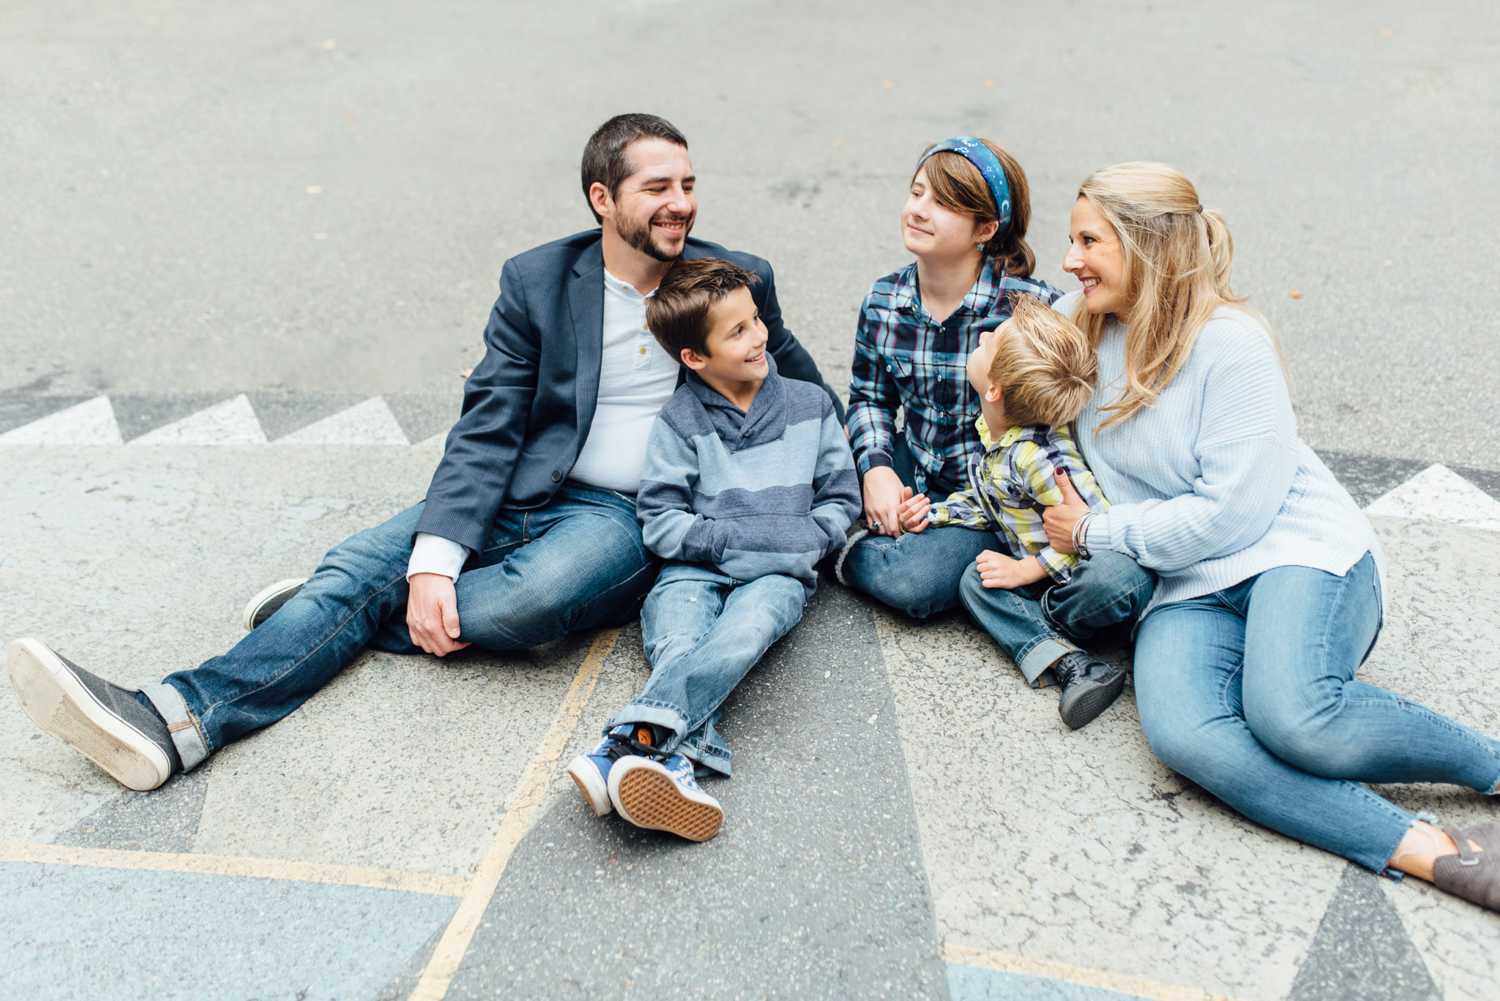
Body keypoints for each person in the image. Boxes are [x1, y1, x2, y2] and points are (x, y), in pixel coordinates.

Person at [7, 113, 839, 793]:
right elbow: (488, 424)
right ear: (601, 197)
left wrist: (874, 471)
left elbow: (804, 388)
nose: (681, 204)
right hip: (522, 488)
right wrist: (436, 561)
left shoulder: (733, 277)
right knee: (366, 560)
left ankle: (340, 618)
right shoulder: (538, 281)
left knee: (526, 603)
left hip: (632, 515)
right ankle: (173, 720)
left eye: (688, 185)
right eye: (657, 187)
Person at [1039, 161, 1500, 912]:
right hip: (1184, 581)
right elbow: (993, 367)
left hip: (1293, 551)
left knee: (1293, 716)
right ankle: (1431, 850)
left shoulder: (1231, 345)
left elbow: (1233, 517)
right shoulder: (1077, 323)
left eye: (1089, 239)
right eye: (1070, 240)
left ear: (1147, 245)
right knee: (1187, 735)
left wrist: (1095, 526)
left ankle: (1491, 763)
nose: (1070, 259)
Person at [565, 258, 860, 842]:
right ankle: (676, 762)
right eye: (739, 331)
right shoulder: (678, 420)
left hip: (777, 575)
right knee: (677, 638)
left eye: (755, 321)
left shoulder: (809, 405)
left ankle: (628, 742)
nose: (760, 337)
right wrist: (729, 540)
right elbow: (662, 522)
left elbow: (839, 499)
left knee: (744, 632)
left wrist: (802, 540)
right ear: (694, 358)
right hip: (692, 569)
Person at [838, 137, 1154, 648]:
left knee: (914, 585)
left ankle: (856, 550)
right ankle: (849, 529)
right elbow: (870, 397)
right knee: (839, 460)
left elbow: (1067, 405)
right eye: (917, 192)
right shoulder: (884, 299)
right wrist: (875, 470)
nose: (919, 210)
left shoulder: (1030, 309)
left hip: (993, 497)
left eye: (942, 203)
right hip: (913, 463)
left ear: (985, 229)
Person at [897, 295, 1137, 729]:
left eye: (991, 342)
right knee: (976, 580)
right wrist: (934, 515)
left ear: (994, 389)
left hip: (1081, 583)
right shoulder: (995, 438)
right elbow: (989, 503)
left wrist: (1029, 570)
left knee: (1119, 575)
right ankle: (1074, 666)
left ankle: (1115, 636)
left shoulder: (1042, 458)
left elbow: (1094, 532)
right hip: (1050, 594)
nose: (984, 335)